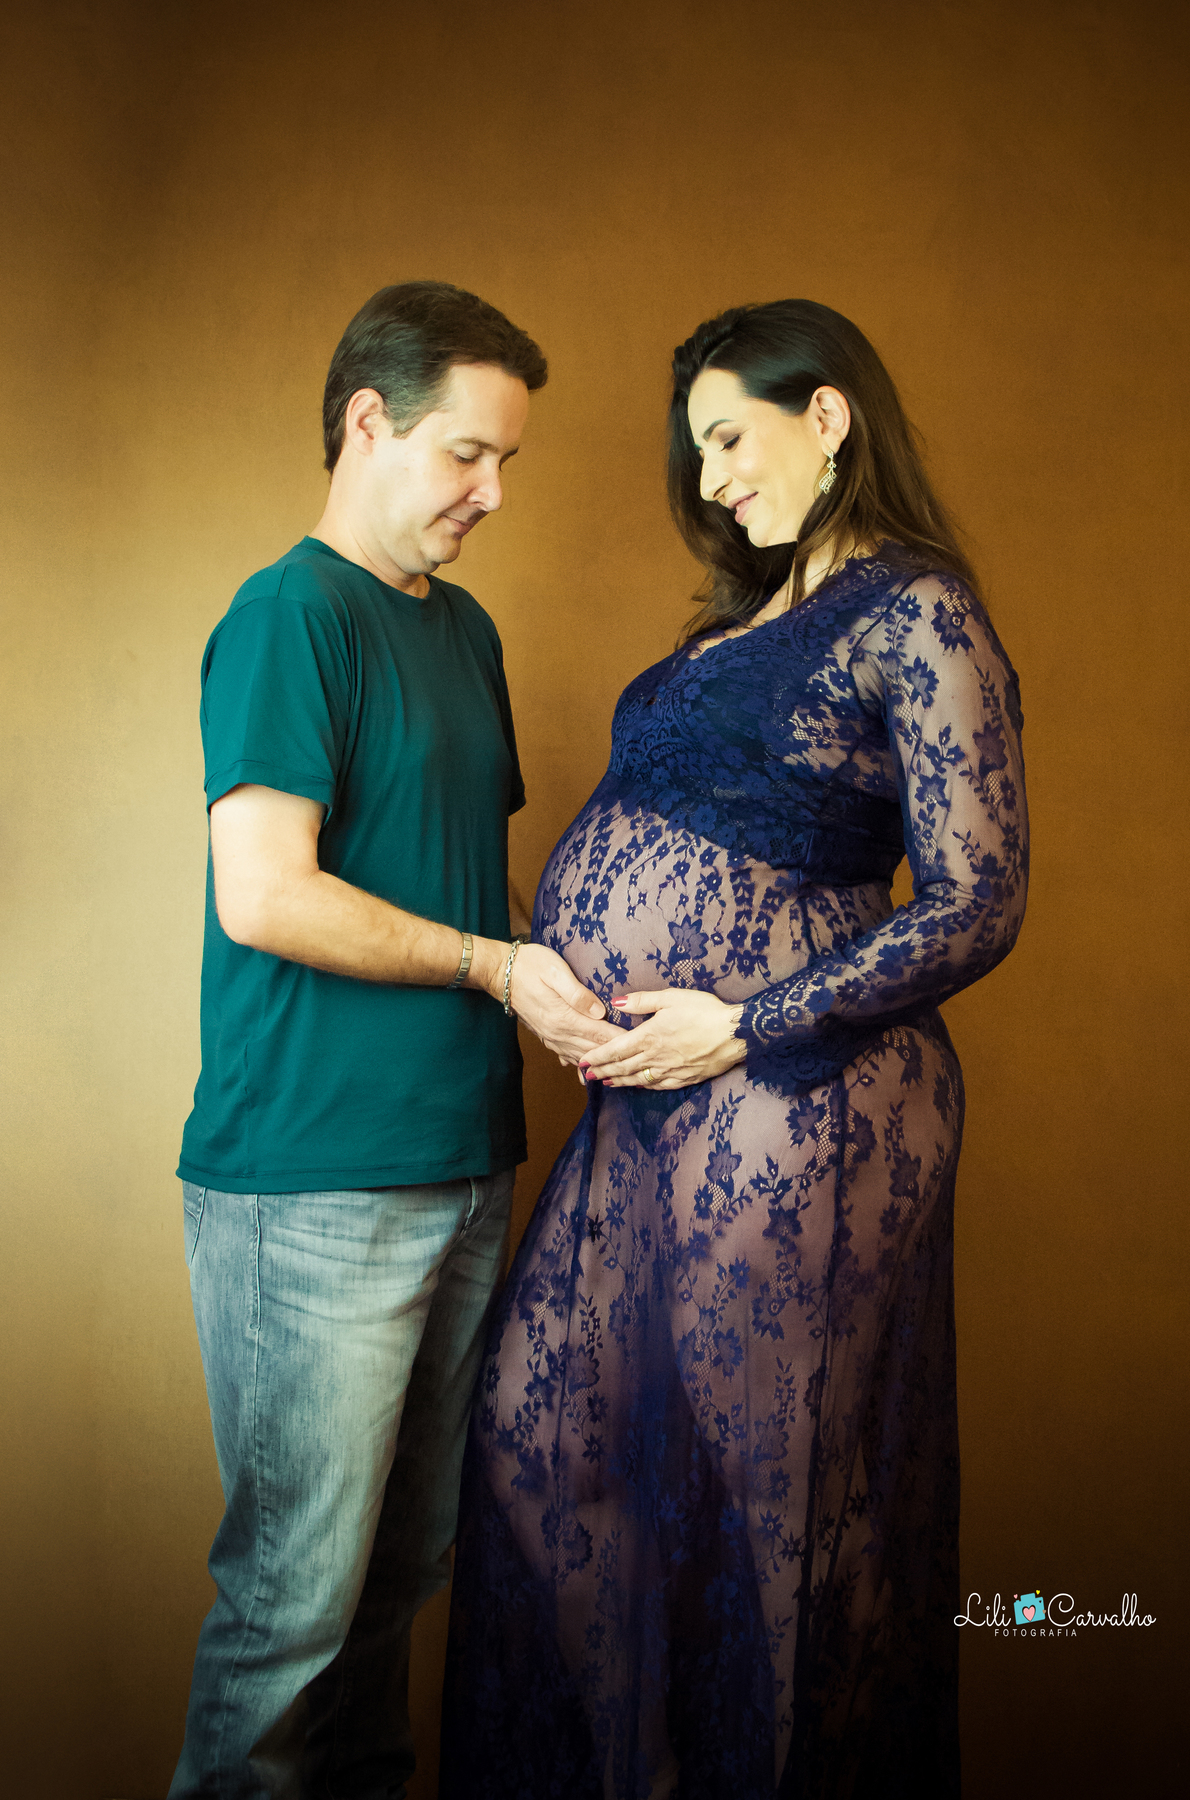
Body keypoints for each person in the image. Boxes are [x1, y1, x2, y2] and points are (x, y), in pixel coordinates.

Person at [440, 299, 1029, 1798]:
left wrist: (746, 1023)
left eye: (728, 438)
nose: (710, 482)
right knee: (535, 1440)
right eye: (694, 453)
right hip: (651, 1107)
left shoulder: (918, 609)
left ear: (828, 417)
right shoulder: (733, 629)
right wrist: (546, 959)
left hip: (799, 1102)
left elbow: (981, 899)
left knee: (776, 1525)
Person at [171, 281, 620, 1799]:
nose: (491, 495)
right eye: (464, 456)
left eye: (508, 464)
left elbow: (446, 877)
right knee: (291, 1614)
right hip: (313, 1188)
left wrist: (551, 974)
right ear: (366, 422)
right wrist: (498, 967)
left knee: (393, 1591)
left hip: (462, 1167)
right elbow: (268, 896)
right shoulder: (289, 614)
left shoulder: (470, 632)